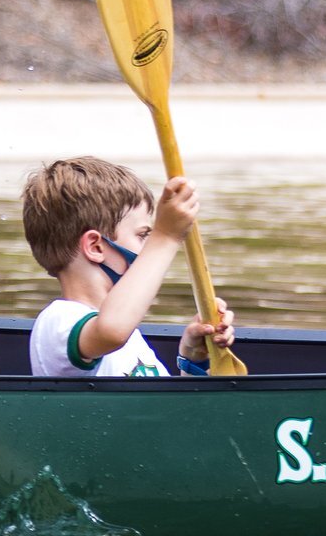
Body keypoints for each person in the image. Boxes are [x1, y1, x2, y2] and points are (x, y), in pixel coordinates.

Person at [20, 157, 234, 378]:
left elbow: (165, 409)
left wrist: (191, 359)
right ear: (95, 246)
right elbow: (111, 330)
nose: (148, 246)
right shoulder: (59, 321)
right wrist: (166, 236)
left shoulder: (129, 335)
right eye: (142, 235)